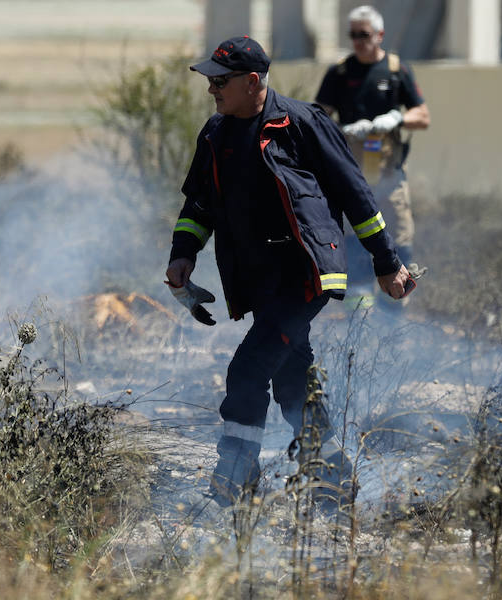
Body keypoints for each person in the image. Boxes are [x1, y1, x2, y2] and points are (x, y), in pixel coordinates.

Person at [165, 35, 411, 509]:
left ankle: (235, 477)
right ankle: (332, 476)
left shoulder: (301, 123)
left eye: (220, 81)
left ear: (252, 81)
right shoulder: (215, 134)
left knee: (247, 371)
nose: (211, 89)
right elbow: (198, 204)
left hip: (305, 275)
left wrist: (386, 262)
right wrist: (183, 254)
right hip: (258, 281)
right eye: (209, 80)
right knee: (293, 379)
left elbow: (357, 195)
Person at [315, 4, 430, 307]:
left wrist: (397, 119)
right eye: (353, 35)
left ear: (379, 35)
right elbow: (317, 119)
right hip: (352, 176)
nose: (358, 41)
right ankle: (360, 321)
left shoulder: (396, 71)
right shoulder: (339, 73)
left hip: (389, 175)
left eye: (364, 34)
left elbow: (423, 115)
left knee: (400, 238)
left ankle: (395, 312)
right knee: (356, 243)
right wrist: (342, 130)